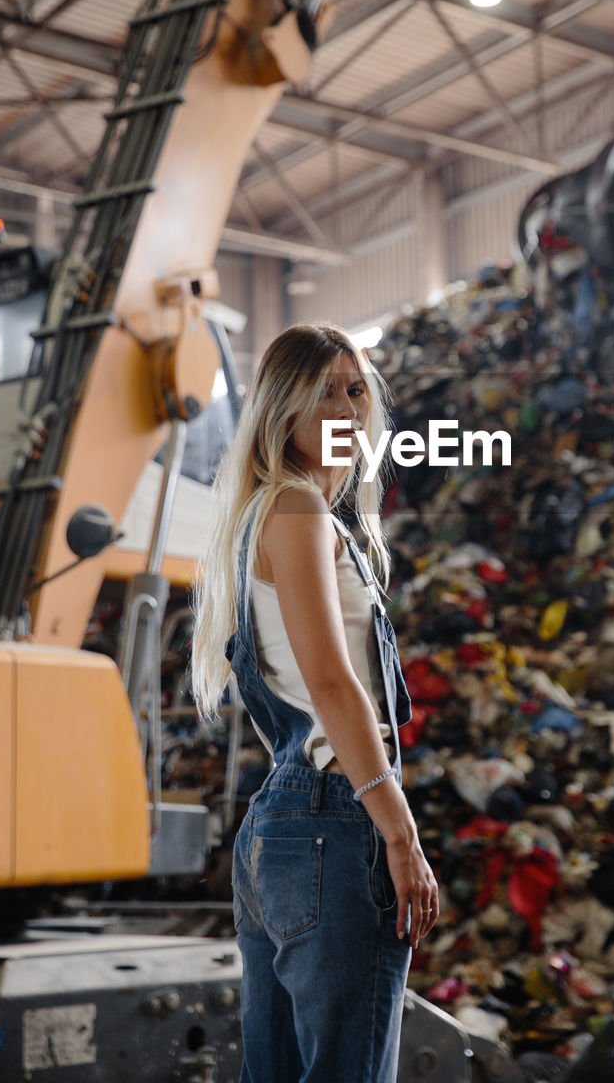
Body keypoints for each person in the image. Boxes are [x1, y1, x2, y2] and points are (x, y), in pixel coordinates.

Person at [191, 322, 439, 1083]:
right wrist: (398, 832)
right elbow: (332, 682)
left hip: (282, 829)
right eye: (322, 392)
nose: (344, 409)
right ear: (280, 407)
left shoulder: (273, 515)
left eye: (355, 391)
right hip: (333, 818)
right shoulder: (296, 511)